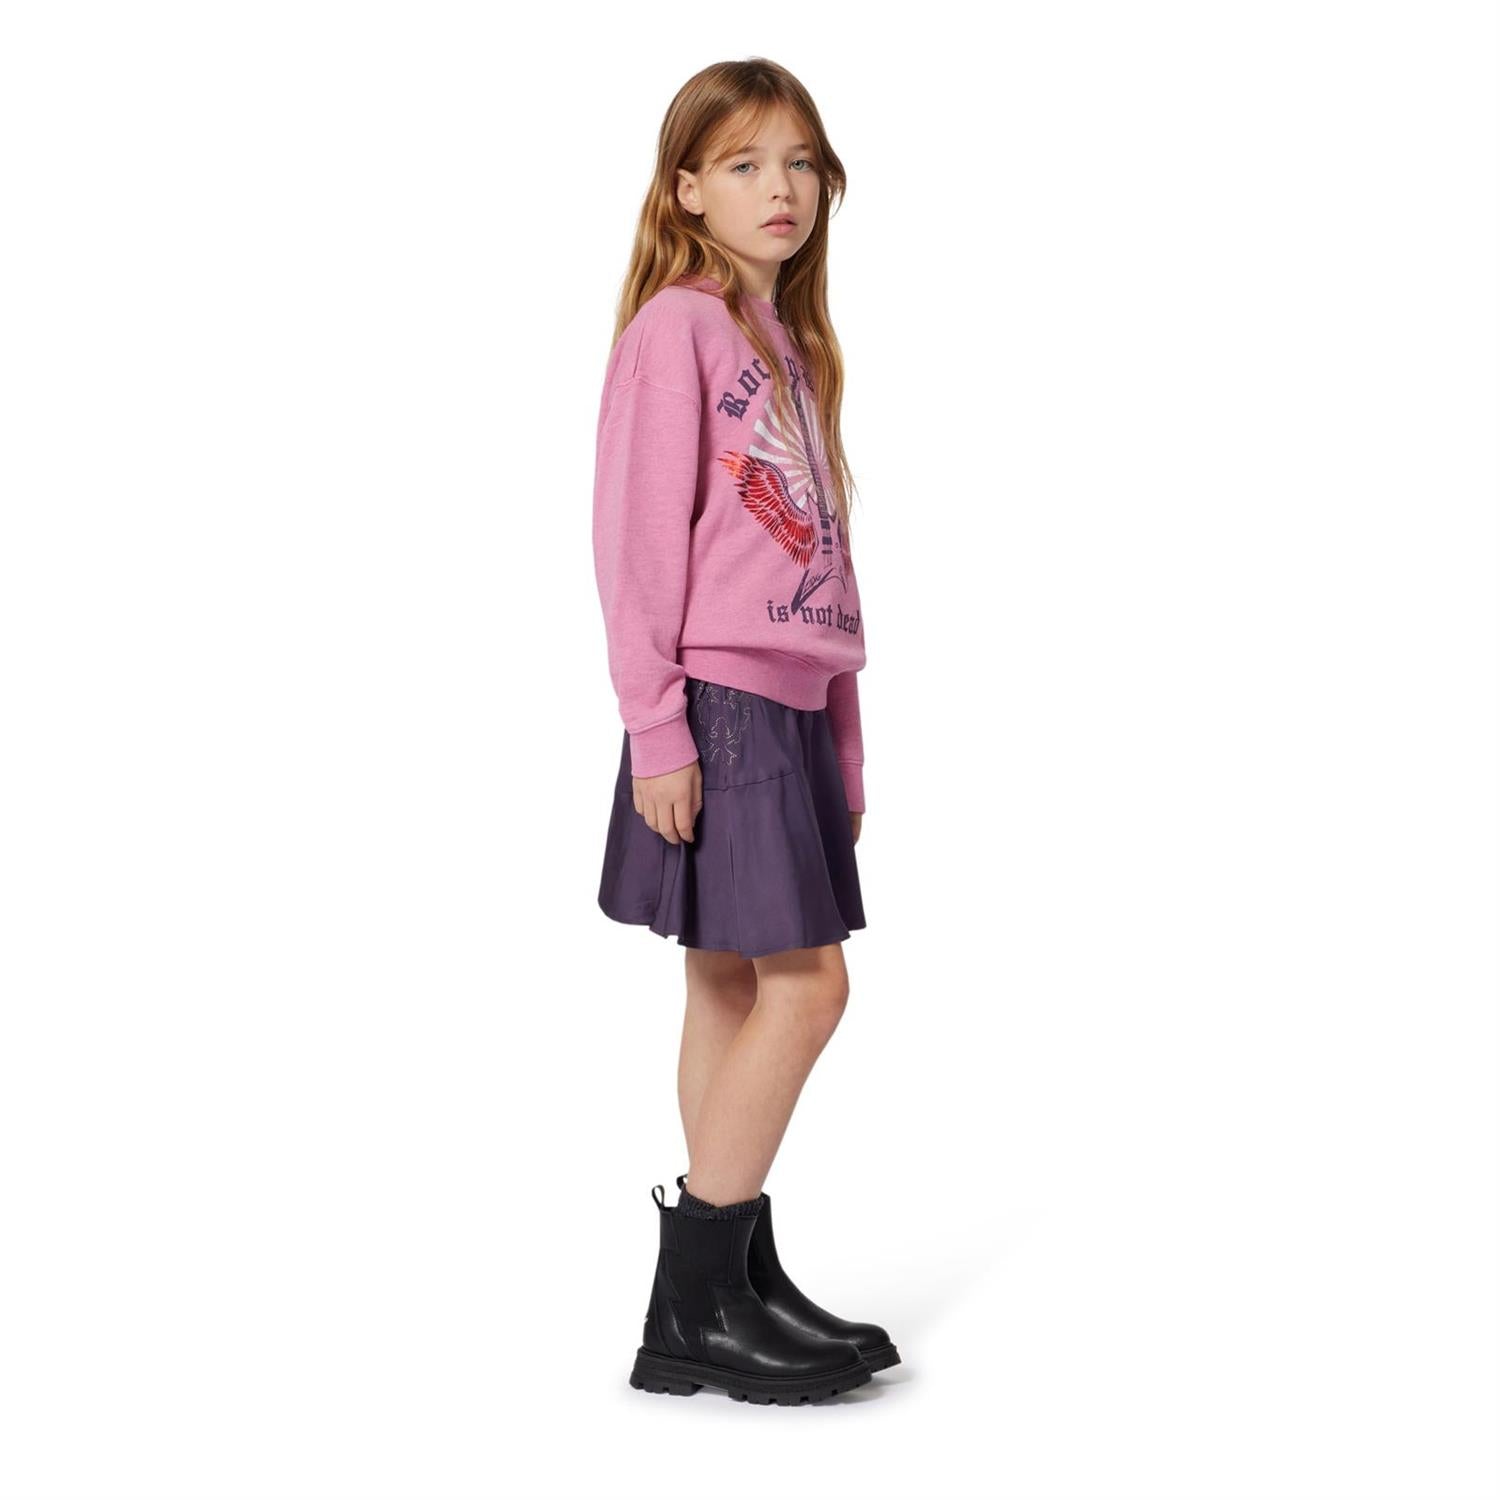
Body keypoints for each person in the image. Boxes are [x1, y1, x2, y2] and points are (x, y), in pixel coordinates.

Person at [591, 58, 901, 1406]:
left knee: (728, 982)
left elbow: (821, 564)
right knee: (808, 986)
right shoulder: (680, 330)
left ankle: (727, 1284)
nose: (781, 188)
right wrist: (657, 726)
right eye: (743, 164)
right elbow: (634, 543)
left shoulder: (790, 345)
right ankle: (700, 1296)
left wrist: (845, 740)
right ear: (686, 190)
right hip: (719, 705)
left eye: (800, 162)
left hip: (788, 705)